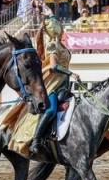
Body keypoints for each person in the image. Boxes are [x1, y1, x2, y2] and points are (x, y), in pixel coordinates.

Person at [30, 17, 77, 156]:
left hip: (64, 83)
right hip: (53, 84)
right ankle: (36, 141)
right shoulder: (52, 45)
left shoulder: (62, 46)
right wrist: (70, 72)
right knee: (51, 110)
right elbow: (53, 66)